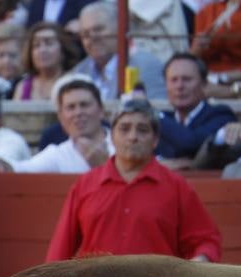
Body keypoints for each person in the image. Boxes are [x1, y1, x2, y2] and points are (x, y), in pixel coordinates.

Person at [46, 97, 222, 262]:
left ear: (155, 140)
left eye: (143, 130)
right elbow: (60, 251)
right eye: (124, 128)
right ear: (112, 137)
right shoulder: (85, 185)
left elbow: (205, 241)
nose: (133, 137)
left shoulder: (177, 187)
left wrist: (201, 260)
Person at [1, 75, 112, 173]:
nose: (78, 113)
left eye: (84, 105)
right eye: (71, 107)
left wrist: (105, 165)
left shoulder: (123, 144)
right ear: (61, 117)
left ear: (101, 110)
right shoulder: (58, 155)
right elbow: (20, 169)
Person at [71, 0, 163, 100]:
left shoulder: (145, 65)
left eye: (98, 29)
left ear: (119, 28)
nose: (92, 37)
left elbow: (158, 112)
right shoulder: (78, 73)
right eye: (86, 34)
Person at [157, 53, 236, 165]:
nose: (179, 86)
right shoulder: (164, 118)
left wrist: (153, 115)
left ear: (204, 84)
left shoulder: (221, 115)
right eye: (174, 80)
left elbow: (190, 143)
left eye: (187, 79)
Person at [13, 21, 79, 102]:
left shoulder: (76, 82)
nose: (42, 50)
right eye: (36, 45)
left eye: (49, 43)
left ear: (63, 49)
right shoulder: (22, 87)